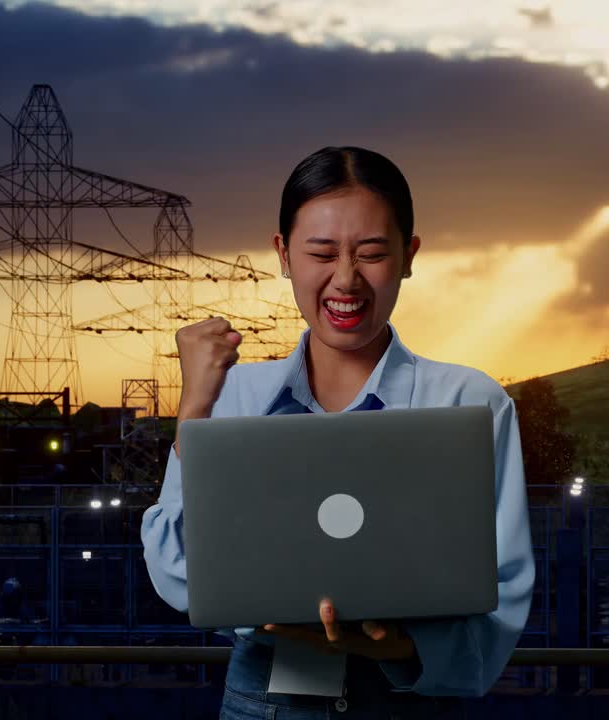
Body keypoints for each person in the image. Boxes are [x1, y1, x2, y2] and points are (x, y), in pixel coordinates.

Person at [141, 146, 535, 719]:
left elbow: (504, 591)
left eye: (372, 252)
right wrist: (195, 406)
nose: (345, 279)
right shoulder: (232, 397)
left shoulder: (470, 402)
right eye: (321, 252)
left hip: (409, 699)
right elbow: (176, 569)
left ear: (408, 255)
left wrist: (398, 646)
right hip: (263, 701)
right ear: (282, 254)